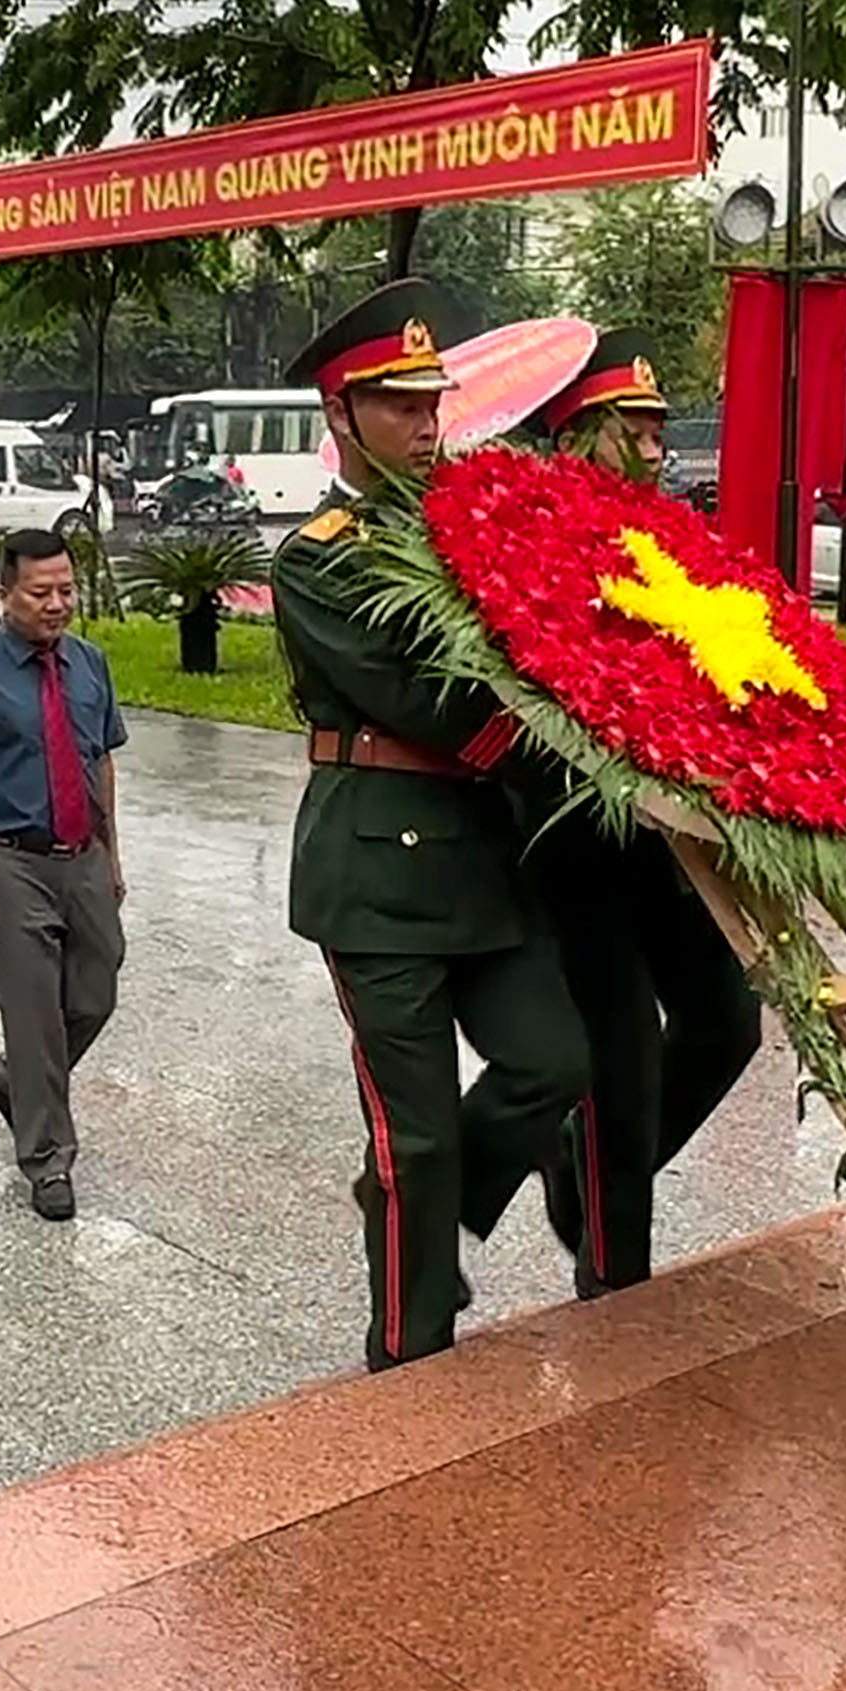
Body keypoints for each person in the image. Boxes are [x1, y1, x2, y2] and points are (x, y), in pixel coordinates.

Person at [273, 279, 588, 1371]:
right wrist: (577, 730)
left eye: (431, 401)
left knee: (553, 1062)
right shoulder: (319, 555)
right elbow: (430, 702)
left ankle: (426, 1203)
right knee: (414, 1133)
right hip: (381, 873)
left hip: (486, 862)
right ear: (341, 414)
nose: (425, 422)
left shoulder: (472, 525)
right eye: (398, 404)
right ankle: (410, 1357)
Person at [508, 335, 762, 1293]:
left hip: (668, 833)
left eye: (660, 433)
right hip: (574, 834)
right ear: (576, 436)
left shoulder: (668, 538)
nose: (657, 452)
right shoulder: (525, 534)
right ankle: (617, 1277)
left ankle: (583, 1166)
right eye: (636, 433)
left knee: (727, 1021)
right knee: (620, 1056)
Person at [0, 529, 129, 1221]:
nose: (57, 604)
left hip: (82, 853)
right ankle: (47, 1160)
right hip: (8, 857)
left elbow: (101, 759)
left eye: (66, 590)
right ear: (2, 591)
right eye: (41, 592)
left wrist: (112, 853)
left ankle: (12, 1078)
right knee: (34, 1012)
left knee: (96, 991)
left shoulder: (89, 662)